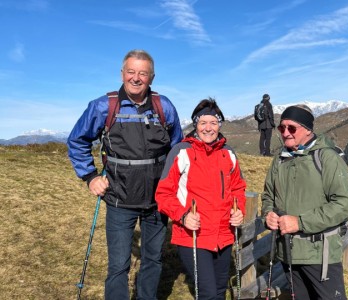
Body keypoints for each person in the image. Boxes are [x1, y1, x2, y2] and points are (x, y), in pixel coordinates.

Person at [67, 49, 183, 300]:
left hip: (158, 201)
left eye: (143, 73)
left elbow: (177, 149)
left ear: (152, 77)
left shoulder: (164, 106)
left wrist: (174, 187)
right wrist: (90, 177)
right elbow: (77, 140)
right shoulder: (104, 106)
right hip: (119, 198)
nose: (136, 78)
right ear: (122, 73)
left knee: (153, 259)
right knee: (119, 265)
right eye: (131, 71)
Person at [155, 98, 247, 299]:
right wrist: (183, 215)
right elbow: (163, 194)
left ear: (219, 125)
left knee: (220, 292)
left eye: (213, 123)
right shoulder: (181, 152)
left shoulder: (228, 153)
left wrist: (239, 210)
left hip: (224, 234)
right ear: (195, 125)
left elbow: (238, 188)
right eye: (203, 122)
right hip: (193, 236)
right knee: (208, 294)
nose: (208, 128)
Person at [261, 105, 348, 300]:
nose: (285, 133)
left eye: (292, 128)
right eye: (281, 128)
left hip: (320, 255)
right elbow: (268, 196)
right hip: (287, 252)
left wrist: (300, 222)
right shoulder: (279, 160)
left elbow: (344, 205)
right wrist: (267, 214)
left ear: (308, 130)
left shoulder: (327, 158)